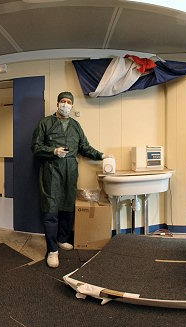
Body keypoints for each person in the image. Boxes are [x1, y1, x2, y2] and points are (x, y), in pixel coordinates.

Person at [31, 91, 107, 268]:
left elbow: (84, 147)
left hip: (70, 171)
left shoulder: (75, 126)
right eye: (63, 101)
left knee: (67, 206)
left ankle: (62, 239)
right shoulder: (45, 123)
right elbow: (35, 147)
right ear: (57, 104)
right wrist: (53, 151)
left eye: (68, 102)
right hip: (51, 170)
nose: (66, 104)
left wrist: (102, 155)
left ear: (72, 105)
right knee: (50, 209)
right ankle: (52, 250)